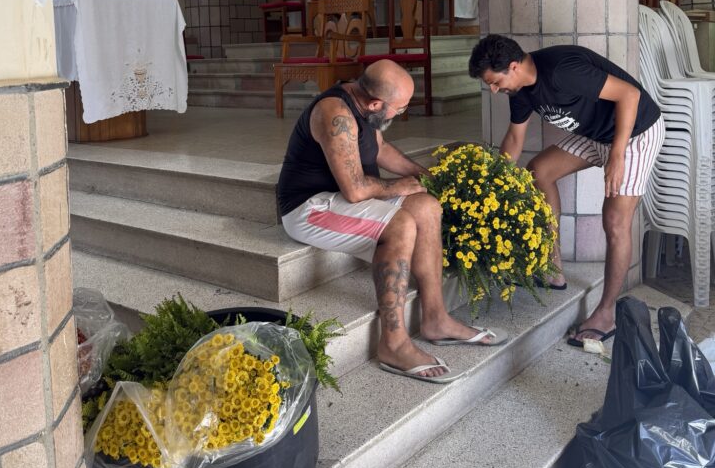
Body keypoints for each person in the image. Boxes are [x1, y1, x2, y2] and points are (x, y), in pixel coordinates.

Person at [277, 60, 507, 384]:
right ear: (375, 103)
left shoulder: (363, 103)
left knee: (426, 207)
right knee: (400, 224)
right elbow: (356, 190)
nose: (401, 112)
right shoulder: (336, 114)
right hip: (308, 208)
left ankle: (436, 318)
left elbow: (380, 149)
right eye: (399, 108)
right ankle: (394, 344)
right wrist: (397, 187)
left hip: (342, 198)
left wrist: (424, 176)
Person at [468, 35, 665, 349]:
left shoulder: (562, 71)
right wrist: (492, 186)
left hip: (634, 132)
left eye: (494, 82)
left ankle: (606, 313)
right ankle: (553, 269)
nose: (493, 90)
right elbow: (514, 140)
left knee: (615, 221)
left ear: (513, 66)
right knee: (539, 170)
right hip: (595, 135)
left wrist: (617, 156)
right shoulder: (519, 90)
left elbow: (630, 94)